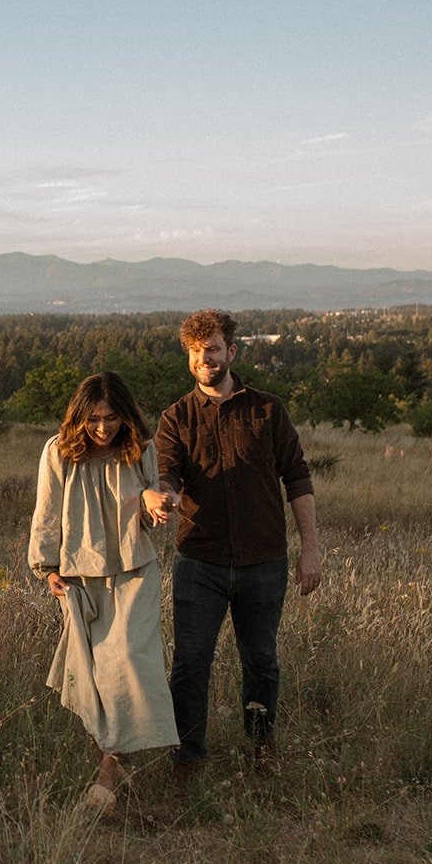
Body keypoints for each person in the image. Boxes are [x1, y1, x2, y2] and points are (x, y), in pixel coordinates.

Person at [153, 308, 321, 770]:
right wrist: (162, 497)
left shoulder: (268, 409)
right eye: (195, 351)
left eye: (212, 349)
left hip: (264, 560)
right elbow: (166, 473)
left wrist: (310, 549)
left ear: (232, 351)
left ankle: (261, 752)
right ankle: (188, 759)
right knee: (189, 665)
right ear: (188, 356)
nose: (204, 359)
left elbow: (298, 478)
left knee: (262, 661)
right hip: (200, 561)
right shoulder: (176, 418)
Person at [28, 371, 180, 813]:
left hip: (133, 572)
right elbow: (47, 509)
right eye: (94, 418)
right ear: (80, 416)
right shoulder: (59, 451)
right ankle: (116, 765)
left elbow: (153, 509)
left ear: (125, 415)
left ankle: (107, 777)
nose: (102, 427)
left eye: (111, 418)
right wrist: (45, 567)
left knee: (128, 662)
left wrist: (157, 503)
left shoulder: (141, 450)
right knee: (94, 676)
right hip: (78, 574)